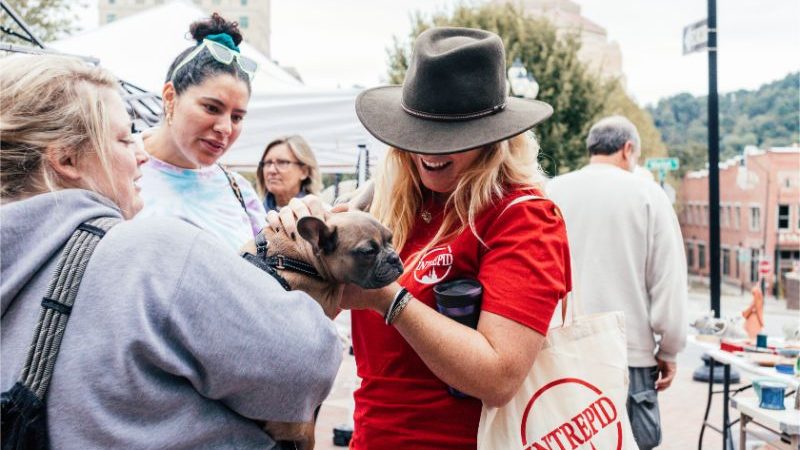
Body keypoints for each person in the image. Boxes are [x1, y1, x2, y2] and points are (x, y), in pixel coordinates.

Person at [0, 55, 340, 448]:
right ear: (66, 159)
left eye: (237, 116)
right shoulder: (153, 251)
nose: (141, 152)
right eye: (126, 138)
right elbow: (305, 363)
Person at [269, 27, 572, 449]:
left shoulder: (521, 217)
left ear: (496, 139)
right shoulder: (380, 205)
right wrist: (295, 246)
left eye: (453, 134)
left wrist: (388, 299)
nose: (429, 150)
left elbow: (499, 376)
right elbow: (299, 316)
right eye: (419, 131)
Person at [546, 115, 688, 450]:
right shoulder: (649, 195)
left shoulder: (551, 192)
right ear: (628, 150)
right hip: (628, 354)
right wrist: (669, 348)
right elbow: (668, 282)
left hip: (561, 353)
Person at [135, 13, 266, 251]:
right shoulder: (115, 168)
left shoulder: (240, 192)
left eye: (237, 117)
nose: (225, 128)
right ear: (170, 97)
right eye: (211, 108)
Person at [255, 135, 323, 212]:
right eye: (268, 163)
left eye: (282, 162)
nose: (271, 170)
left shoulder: (319, 215)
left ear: (304, 172)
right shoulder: (253, 215)